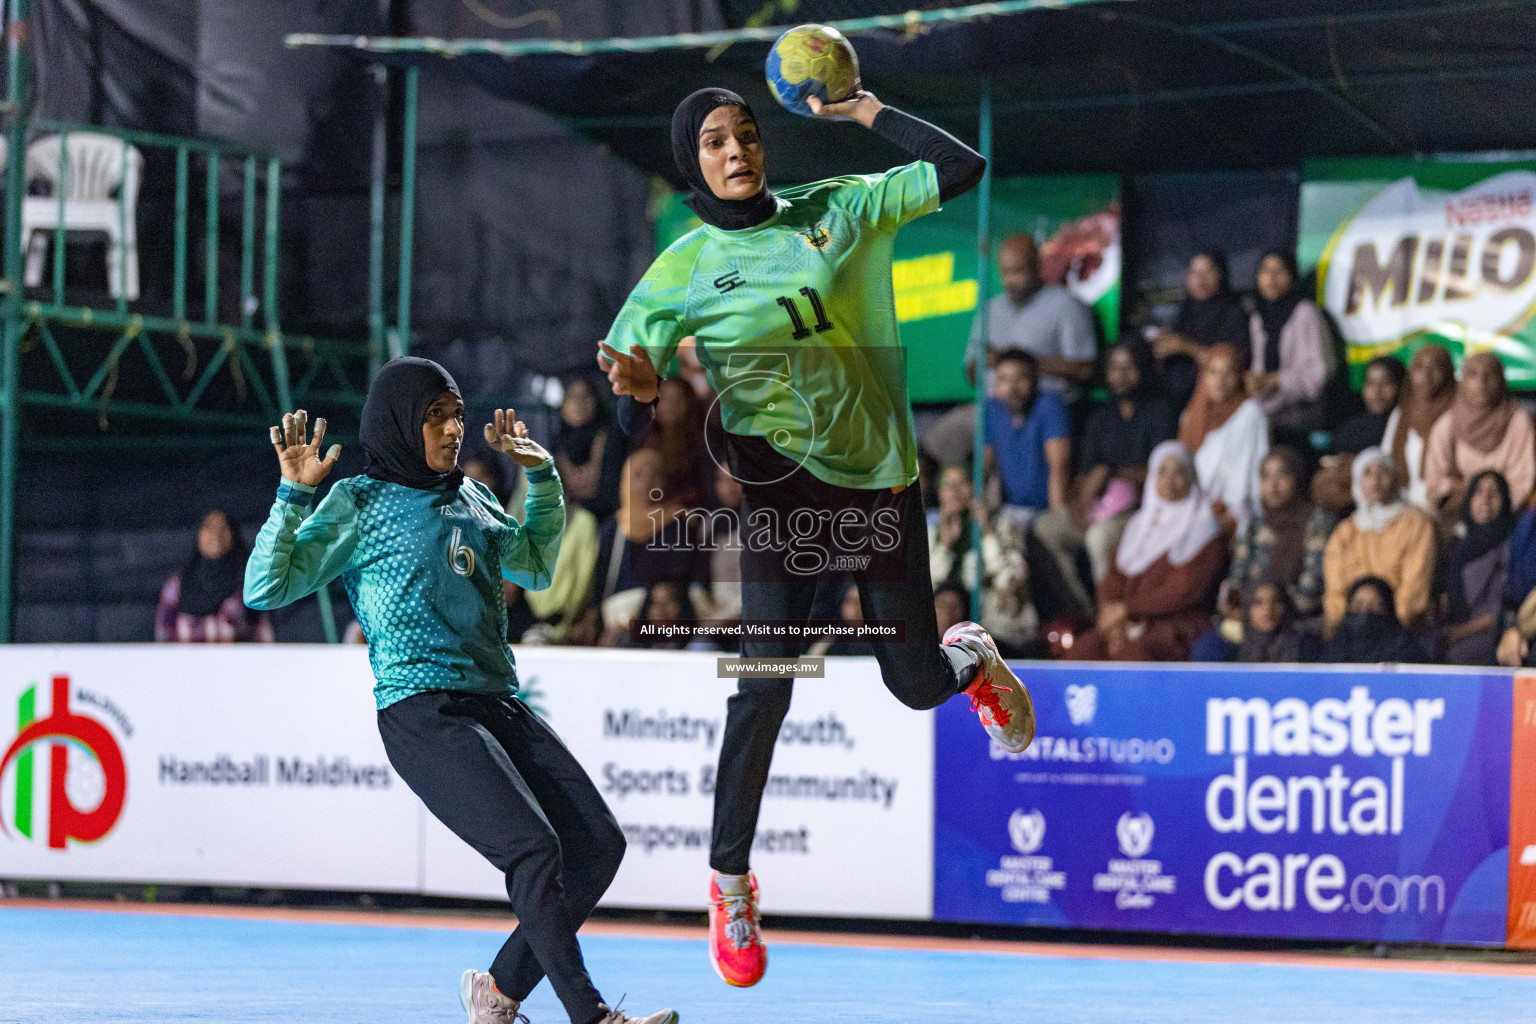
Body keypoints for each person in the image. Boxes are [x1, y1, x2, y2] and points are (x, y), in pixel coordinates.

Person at [597, 86, 1033, 988]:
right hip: (780, 492)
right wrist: (639, 388)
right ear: (695, 163)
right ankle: (728, 884)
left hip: (878, 477)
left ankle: (971, 656)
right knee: (764, 682)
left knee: (914, 686)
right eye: (714, 140)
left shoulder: (840, 207)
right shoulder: (684, 266)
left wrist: (864, 109)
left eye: (746, 134)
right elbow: (631, 385)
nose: (736, 149)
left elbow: (964, 167)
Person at [242, 358, 675, 1024]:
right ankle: (591, 1016)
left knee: (598, 844)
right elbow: (265, 589)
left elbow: (532, 564)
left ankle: (498, 993)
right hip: (424, 711)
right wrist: (292, 498)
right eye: (435, 416)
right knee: (534, 850)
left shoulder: (472, 496)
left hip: (495, 701)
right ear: (397, 423)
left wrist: (543, 477)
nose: (452, 429)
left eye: (457, 414)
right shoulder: (358, 502)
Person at [1033, 339, 1176, 589]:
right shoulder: (1100, 417)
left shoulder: (1161, 412)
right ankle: (1081, 610)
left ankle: (1108, 613)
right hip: (1098, 507)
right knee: (1046, 528)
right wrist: (1078, 505)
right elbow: (1086, 473)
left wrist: (1112, 472)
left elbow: (1164, 473)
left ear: (1144, 370)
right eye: (1114, 368)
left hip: (1141, 512)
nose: (1121, 376)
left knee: (1099, 537)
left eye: (1129, 368)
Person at [1066, 441, 1227, 662]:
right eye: (1162, 472)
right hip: (1125, 621)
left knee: (1134, 654)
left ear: (1191, 477)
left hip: (1175, 625)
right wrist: (1113, 619)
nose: (1170, 480)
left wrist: (1127, 609)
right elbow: (1113, 577)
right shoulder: (1137, 526)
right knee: (1085, 650)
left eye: (1179, 472)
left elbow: (1185, 590)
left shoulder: (1204, 529)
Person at [1192, 447, 1332, 661]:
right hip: (1253, 617)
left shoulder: (1316, 522)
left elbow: (1309, 595)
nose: (1273, 485)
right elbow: (1237, 582)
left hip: (1296, 621)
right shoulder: (1255, 525)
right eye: (1266, 477)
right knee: (1209, 648)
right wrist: (1247, 607)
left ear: (1298, 479)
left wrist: (1271, 605)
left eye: (1282, 475)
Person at [967, 233, 1097, 403]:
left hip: (1047, 406)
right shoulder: (990, 310)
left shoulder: (1065, 304)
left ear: (1037, 266)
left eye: (1018, 271)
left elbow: (1085, 370)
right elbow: (971, 371)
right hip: (994, 408)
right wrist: (985, 362)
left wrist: (1020, 362)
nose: (1011, 280)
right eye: (1005, 272)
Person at [1321, 447, 1436, 636]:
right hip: (1351, 631)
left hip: (1400, 631)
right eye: (1367, 473)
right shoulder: (1345, 531)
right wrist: (1347, 627)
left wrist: (1390, 628)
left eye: (1383, 471)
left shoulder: (1415, 524)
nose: (1375, 480)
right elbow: (1335, 592)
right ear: (1357, 481)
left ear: (1396, 479)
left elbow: (1415, 588)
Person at [929, 464, 1036, 654]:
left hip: (998, 636)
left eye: (962, 483)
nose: (954, 490)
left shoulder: (1001, 527)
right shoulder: (932, 535)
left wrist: (987, 534)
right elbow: (925, 590)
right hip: (944, 641)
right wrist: (945, 545)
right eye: (948, 484)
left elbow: (1010, 578)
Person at [1425, 351, 1535, 516]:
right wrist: (1472, 500)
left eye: (1490, 374)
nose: (1481, 382)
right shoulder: (1447, 424)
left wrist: (1491, 504)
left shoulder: (1518, 421)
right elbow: (1435, 481)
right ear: (1462, 382)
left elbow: (1523, 478)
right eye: (1473, 374)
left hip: (1508, 516)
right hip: (1459, 515)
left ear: (1502, 381)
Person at [1245, 249, 1336, 438]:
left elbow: (1319, 376)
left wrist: (1274, 379)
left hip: (1303, 411)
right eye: (1265, 271)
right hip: (1269, 408)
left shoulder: (1305, 312)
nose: (1271, 278)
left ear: (1292, 277)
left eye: (1279, 271)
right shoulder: (1257, 316)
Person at [1179, 343, 1268, 532]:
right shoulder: (1190, 415)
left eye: (1229, 373)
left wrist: (1230, 513)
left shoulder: (1250, 413)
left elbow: (1247, 476)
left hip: (1231, 513)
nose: (1220, 380)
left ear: (1239, 377)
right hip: (1192, 509)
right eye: (1212, 372)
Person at [1152, 251, 1251, 410]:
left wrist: (1187, 347)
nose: (1200, 279)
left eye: (1208, 271)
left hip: (1217, 402)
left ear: (1221, 274)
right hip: (1178, 401)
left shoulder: (1234, 313)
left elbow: (1232, 365)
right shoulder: (1186, 310)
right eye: (1194, 272)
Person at [156, 509, 273, 642]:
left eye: (223, 528)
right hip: (188, 663)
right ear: (198, 534)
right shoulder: (177, 586)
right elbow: (164, 640)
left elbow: (264, 637)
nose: (216, 534)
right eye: (209, 527)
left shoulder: (252, 585)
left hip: (237, 662)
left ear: (234, 534)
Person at [1440, 470, 1516, 665]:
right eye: (1478, 492)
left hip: (1489, 634)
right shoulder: (1455, 547)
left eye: (1495, 493)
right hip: (1453, 631)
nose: (1486, 499)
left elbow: (1496, 614)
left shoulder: (1510, 546)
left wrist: (1456, 633)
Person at [1313, 355, 1405, 512]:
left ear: (1401, 386)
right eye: (1371, 383)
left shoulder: (1404, 427)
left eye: (1386, 383)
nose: (1377, 391)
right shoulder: (1349, 429)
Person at [1383, 344, 1455, 509]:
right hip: (1402, 508)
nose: (1426, 376)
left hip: (1445, 510)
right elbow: (1387, 460)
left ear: (1448, 372)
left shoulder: (1458, 415)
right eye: (1419, 368)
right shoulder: (1401, 414)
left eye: (1436, 369)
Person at [553, 375, 626, 521]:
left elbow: (611, 497)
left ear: (596, 401)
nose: (579, 403)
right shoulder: (556, 443)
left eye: (586, 396)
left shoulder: (610, 440)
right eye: (572, 396)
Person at [1323, 576, 1425, 664]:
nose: (1365, 612)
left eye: (1374, 606)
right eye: (1358, 605)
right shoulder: (1337, 649)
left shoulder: (1405, 652)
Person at [1236, 578, 1319, 664]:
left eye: (1276, 601)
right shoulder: (1235, 650)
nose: (1268, 609)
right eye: (1258, 602)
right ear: (1247, 608)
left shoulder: (1304, 645)